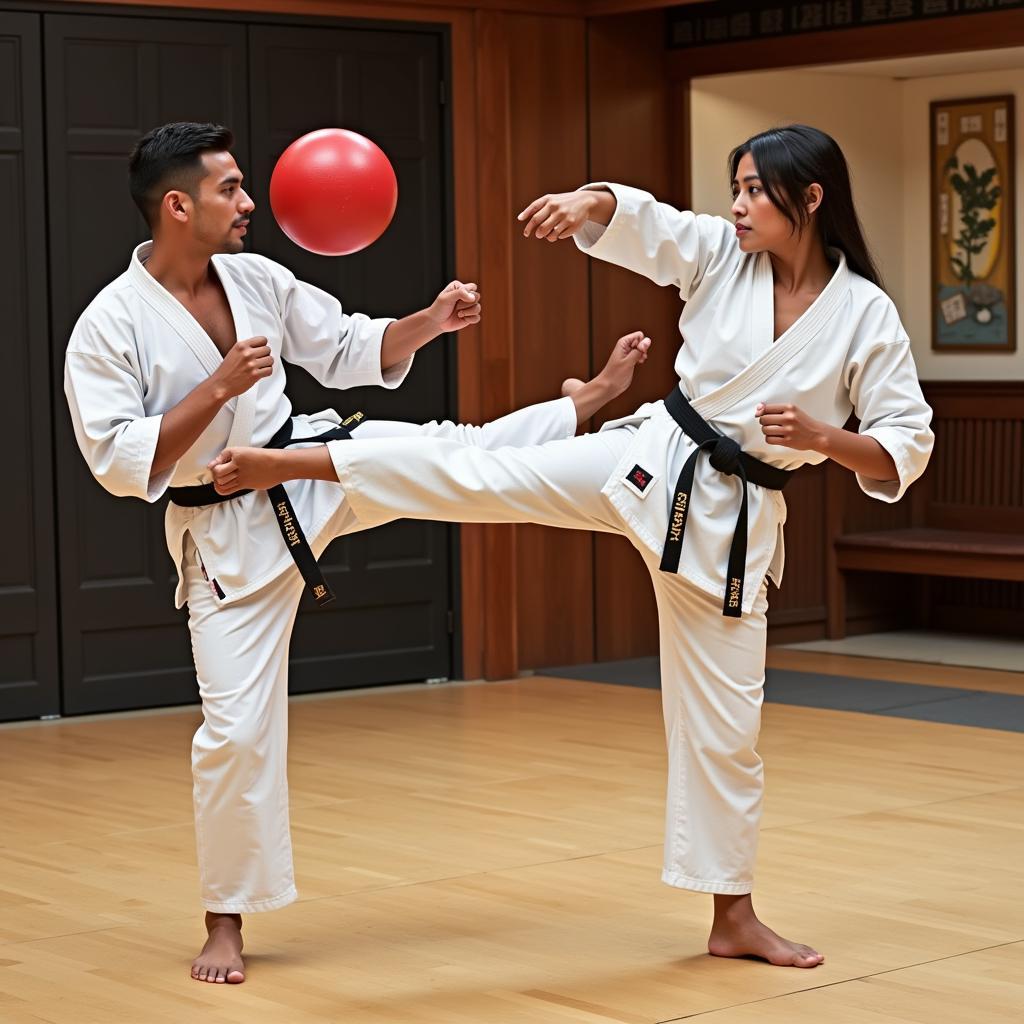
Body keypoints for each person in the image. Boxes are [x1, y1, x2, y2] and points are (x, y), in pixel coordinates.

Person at [210, 124, 935, 969]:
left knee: (726, 727)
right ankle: (304, 462)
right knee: (480, 470)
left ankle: (732, 915)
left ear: (809, 200)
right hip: (648, 459)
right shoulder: (718, 253)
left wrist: (822, 434)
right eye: (732, 187)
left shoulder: (864, 314)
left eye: (753, 192)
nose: (735, 207)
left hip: (732, 522)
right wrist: (589, 201)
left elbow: (902, 446)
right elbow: (650, 223)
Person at [63, 120, 653, 985]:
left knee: (448, 455)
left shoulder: (255, 278)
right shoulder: (107, 326)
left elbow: (345, 348)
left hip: (305, 465)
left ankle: (577, 408)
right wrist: (218, 385)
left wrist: (430, 321)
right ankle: (225, 921)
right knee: (235, 733)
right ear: (178, 204)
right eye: (231, 188)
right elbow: (122, 464)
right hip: (224, 530)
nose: (250, 201)